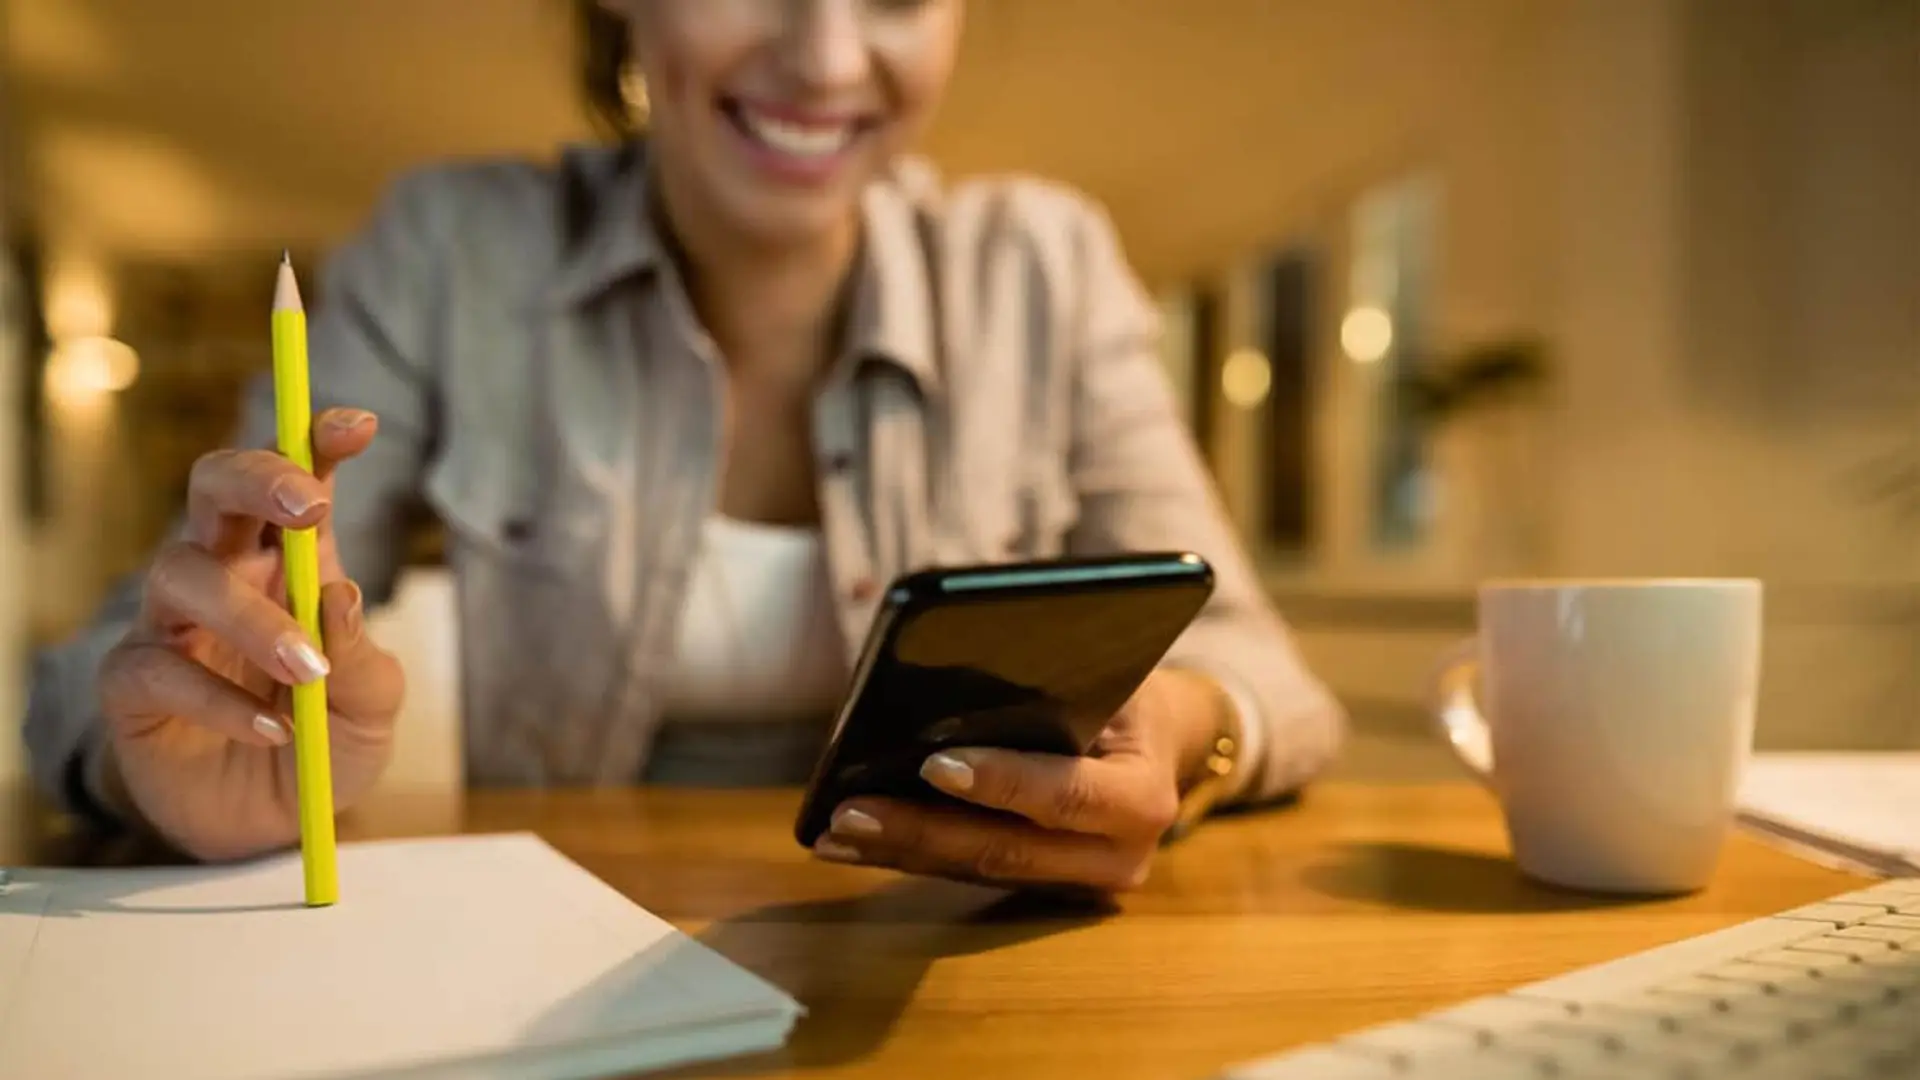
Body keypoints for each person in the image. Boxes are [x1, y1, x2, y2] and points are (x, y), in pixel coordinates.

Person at [22, 0, 1344, 892]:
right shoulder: (451, 253)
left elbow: (1262, 674)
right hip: (549, 968)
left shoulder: (1045, 266)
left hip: (929, 963)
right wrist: (165, 761)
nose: (825, 60)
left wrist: (1191, 732)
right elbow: (107, 678)